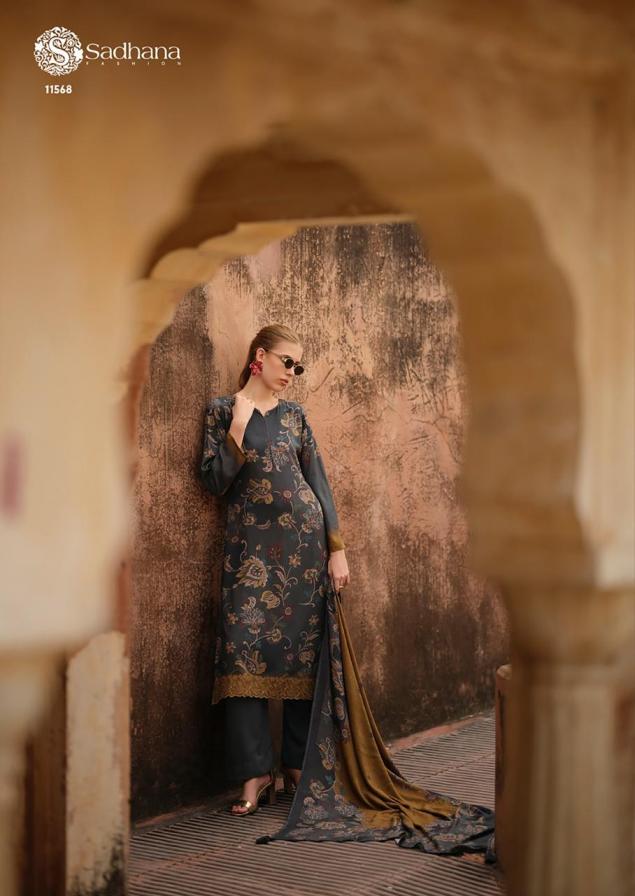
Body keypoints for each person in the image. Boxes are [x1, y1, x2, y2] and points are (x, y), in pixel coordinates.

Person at [199, 323, 350, 815]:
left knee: (303, 657)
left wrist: (336, 549)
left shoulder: (296, 417)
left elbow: (318, 483)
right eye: (288, 361)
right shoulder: (222, 411)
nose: (292, 372)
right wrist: (238, 427)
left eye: (298, 367)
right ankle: (255, 773)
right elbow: (214, 481)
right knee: (241, 650)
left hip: (304, 551)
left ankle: (297, 767)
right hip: (249, 555)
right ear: (259, 357)